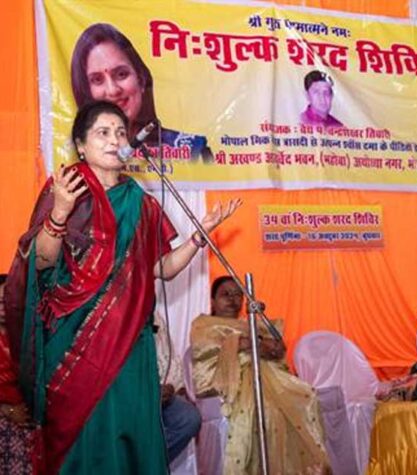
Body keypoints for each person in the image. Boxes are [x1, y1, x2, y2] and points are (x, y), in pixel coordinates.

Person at [1, 100, 240, 474]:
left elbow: (161, 268)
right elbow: (41, 262)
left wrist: (199, 237)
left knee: (131, 442)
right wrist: (60, 212)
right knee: (83, 445)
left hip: (131, 347)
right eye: (103, 132)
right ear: (81, 145)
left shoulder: (140, 202)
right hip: (74, 345)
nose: (115, 140)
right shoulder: (65, 189)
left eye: (120, 133)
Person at [190, 276, 329, 474]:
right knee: (264, 409)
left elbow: (277, 350)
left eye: (238, 295)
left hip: (267, 380)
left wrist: (256, 344)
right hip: (230, 384)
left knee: (306, 396)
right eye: (225, 294)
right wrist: (246, 344)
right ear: (212, 301)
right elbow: (207, 354)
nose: (232, 299)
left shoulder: (252, 325)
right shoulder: (204, 326)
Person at [71, 23, 213, 162]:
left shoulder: (193, 151)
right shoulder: (75, 154)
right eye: (97, 80)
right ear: (85, 91)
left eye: (121, 74)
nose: (113, 90)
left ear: (141, 79)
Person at [154, 311, 201, 463]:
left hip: (159, 391)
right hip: (126, 391)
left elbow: (170, 356)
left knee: (189, 418)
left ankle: (150, 464)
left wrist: (171, 385)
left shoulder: (154, 315)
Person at [0, 274, 34, 474]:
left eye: (6, 299)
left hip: (27, 432)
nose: (2, 307)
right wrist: (8, 410)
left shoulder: (29, 341)